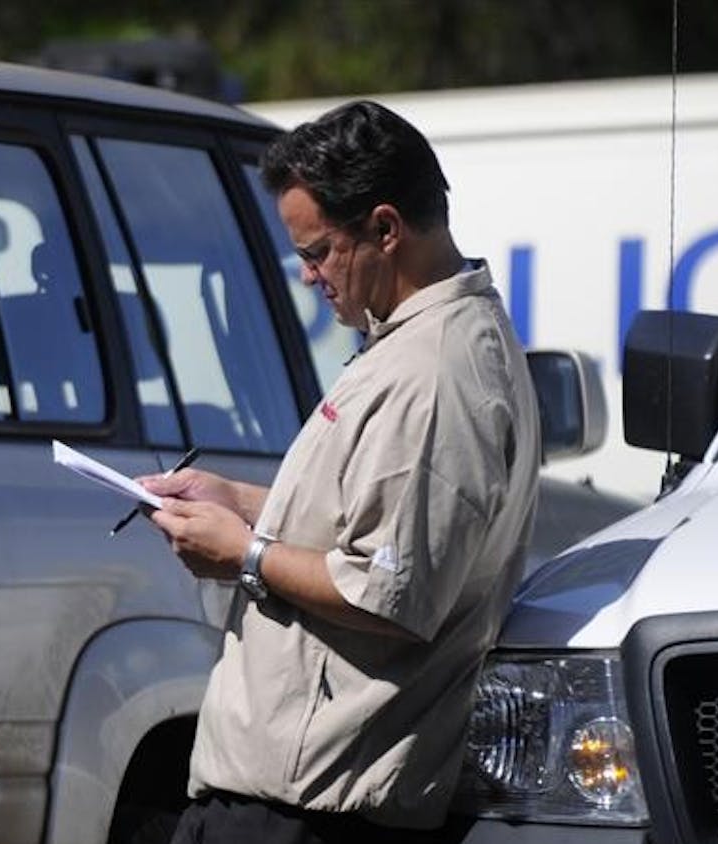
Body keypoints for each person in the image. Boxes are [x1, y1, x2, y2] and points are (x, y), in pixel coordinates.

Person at [140, 100, 541, 842]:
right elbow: (368, 521)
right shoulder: (414, 344)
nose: (306, 276)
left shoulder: (436, 373)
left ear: (386, 229)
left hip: (315, 810)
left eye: (319, 251)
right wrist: (242, 501)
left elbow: (388, 590)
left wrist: (244, 555)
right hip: (295, 796)